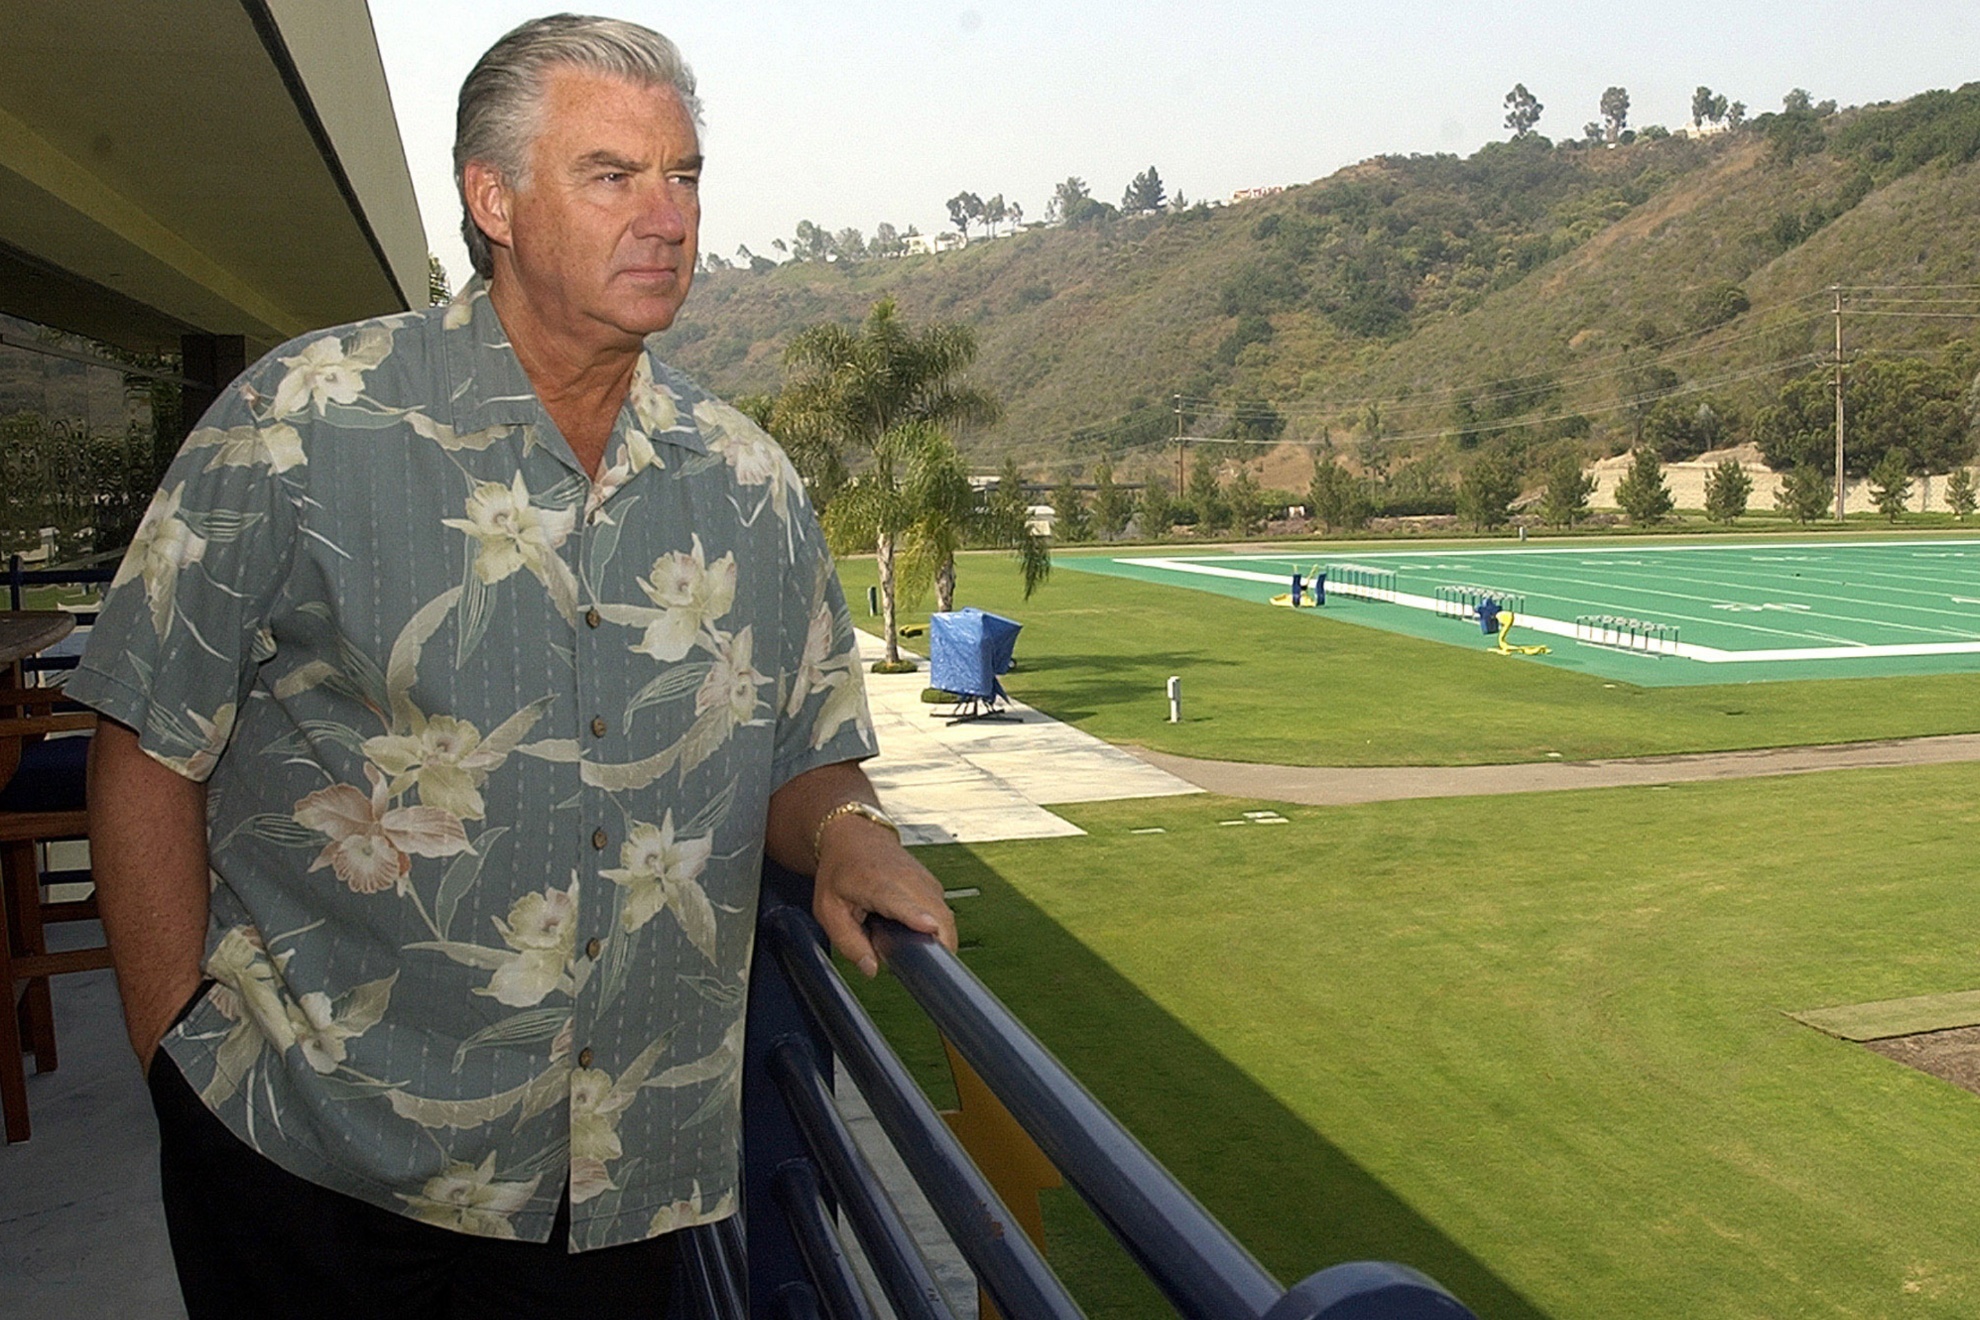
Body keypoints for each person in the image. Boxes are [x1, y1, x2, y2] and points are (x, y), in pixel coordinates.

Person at [70, 14, 955, 1317]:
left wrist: (850, 833)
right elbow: (147, 744)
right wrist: (176, 1067)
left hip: (621, 1183)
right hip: (317, 1165)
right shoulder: (299, 428)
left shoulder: (748, 483)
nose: (667, 217)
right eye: (613, 175)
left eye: (685, 175)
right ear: (494, 200)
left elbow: (802, 756)